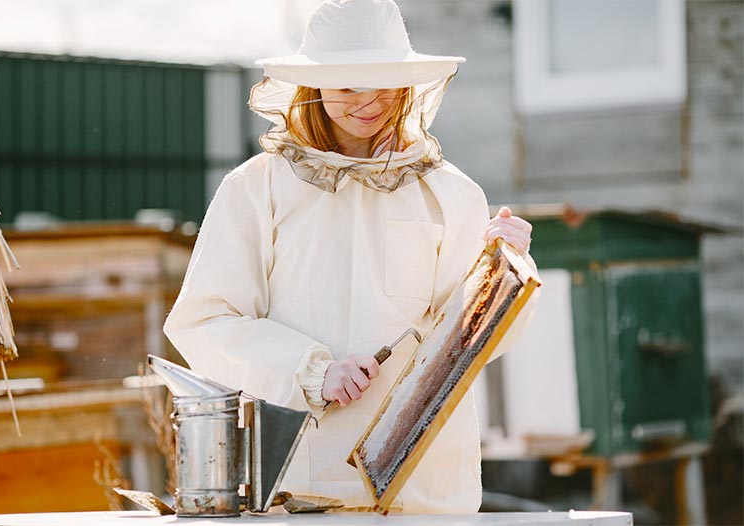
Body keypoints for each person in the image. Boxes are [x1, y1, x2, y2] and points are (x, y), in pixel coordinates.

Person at [164, 0, 537, 513]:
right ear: (313, 88)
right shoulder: (256, 188)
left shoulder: (454, 195)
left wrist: (504, 270)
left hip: (426, 489)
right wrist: (312, 371)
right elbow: (205, 321)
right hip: (297, 485)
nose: (370, 101)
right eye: (347, 85)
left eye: (384, 82)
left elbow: (469, 341)